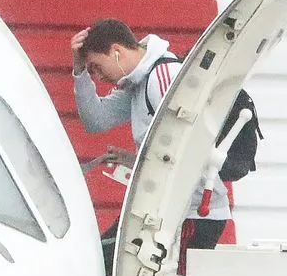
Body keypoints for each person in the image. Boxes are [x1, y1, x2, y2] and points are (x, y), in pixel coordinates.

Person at [71, 18, 233, 251]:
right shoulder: (139, 82)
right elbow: (96, 120)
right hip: (162, 210)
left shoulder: (163, 78)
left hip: (191, 214)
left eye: (96, 67)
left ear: (116, 51)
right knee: (106, 259)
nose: (98, 76)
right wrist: (79, 72)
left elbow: (187, 146)